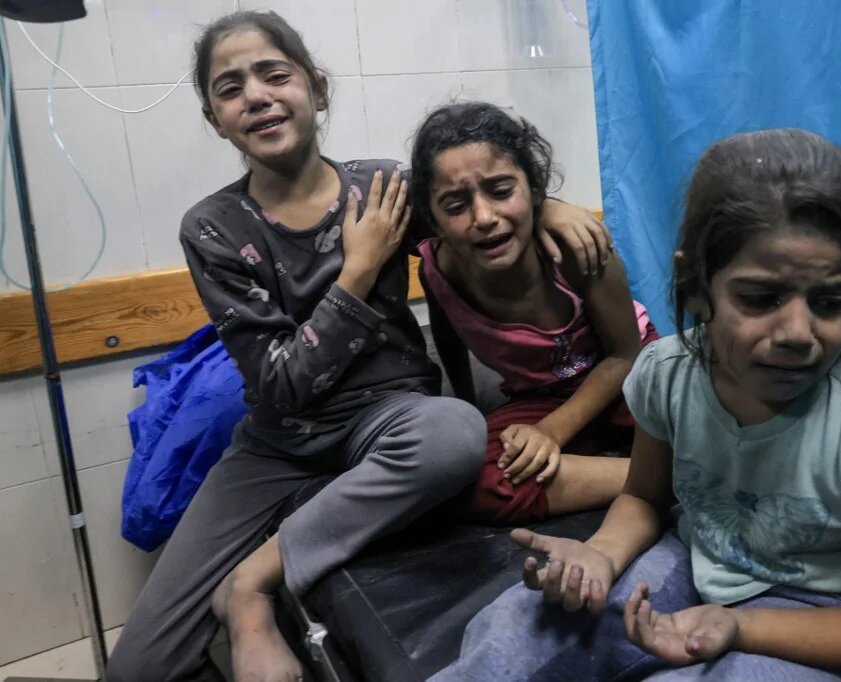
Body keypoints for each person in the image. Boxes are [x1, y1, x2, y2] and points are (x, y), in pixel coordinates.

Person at [105, 11, 610, 682]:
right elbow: (283, 385)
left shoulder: (384, 188)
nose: (255, 95)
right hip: (280, 442)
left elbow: (476, 205)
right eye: (230, 88)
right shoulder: (213, 229)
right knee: (140, 668)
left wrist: (550, 206)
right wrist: (359, 270)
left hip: (392, 417)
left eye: (274, 74)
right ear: (214, 119)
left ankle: (250, 585)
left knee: (455, 433)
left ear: (316, 88)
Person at [432, 128, 841, 681]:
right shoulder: (667, 374)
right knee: (522, 631)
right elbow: (644, 497)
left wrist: (738, 627)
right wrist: (601, 555)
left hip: (838, 617)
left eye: (830, 301)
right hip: (704, 569)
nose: (797, 332)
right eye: (761, 299)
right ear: (694, 285)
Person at [409, 102, 657, 524]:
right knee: (472, 478)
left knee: (706, 419)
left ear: (534, 187)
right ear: (432, 218)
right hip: (542, 398)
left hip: (627, 379)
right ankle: (658, 475)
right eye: (454, 205)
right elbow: (448, 334)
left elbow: (624, 356)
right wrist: (470, 411)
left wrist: (551, 433)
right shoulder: (438, 270)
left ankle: (662, 467)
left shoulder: (577, 250)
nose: (484, 217)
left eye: (501, 191)